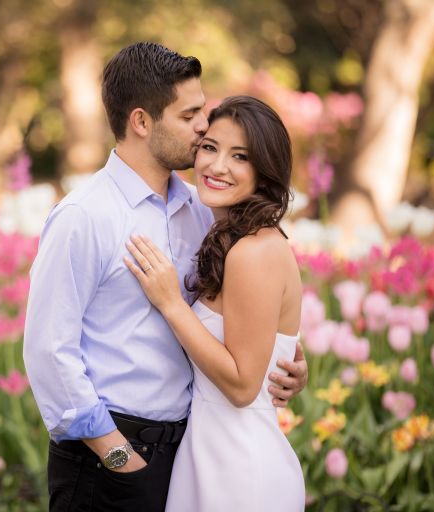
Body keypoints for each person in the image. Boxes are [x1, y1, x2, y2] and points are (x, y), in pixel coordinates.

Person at [23, 42, 308, 512]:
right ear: (141, 121)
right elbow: (49, 353)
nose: (203, 127)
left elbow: (247, 316)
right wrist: (118, 457)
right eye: (191, 115)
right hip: (111, 461)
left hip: (187, 457)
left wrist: (287, 362)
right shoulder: (85, 216)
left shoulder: (203, 211)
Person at [124, 95, 306, 510]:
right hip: (209, 454)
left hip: (239, 469)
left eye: (240, 156)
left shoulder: (253, 252)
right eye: (210, 147)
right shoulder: (237, 237)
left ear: (264, 172)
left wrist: (172, 304)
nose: (216, 166)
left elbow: (243, 387)